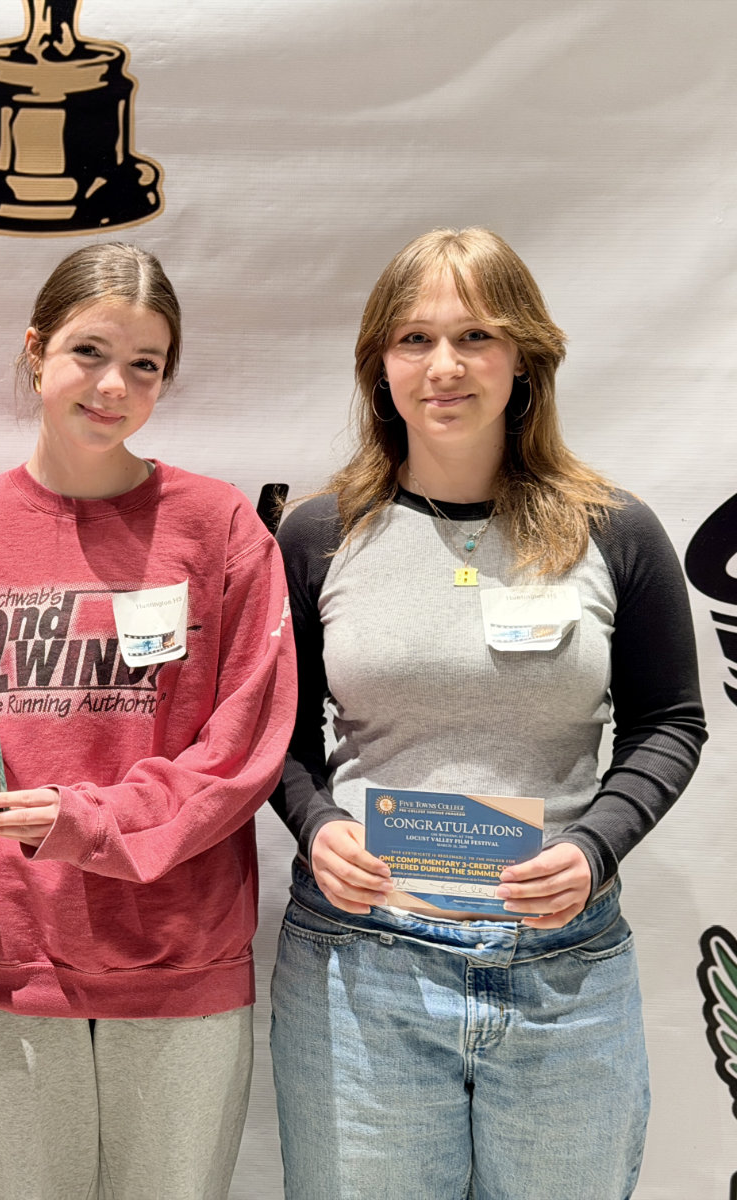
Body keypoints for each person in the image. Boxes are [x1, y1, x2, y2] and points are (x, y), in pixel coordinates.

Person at [268, 227, 706, 1199]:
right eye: (413, 339)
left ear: (526, 357)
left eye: (475, 336)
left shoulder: (614, 531)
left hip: (563, 971)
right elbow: (280, 742)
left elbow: (670, 721)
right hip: (360, 964)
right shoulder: (318, 534)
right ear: (379, 365)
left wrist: (593, 847)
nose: (444, 366)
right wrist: (317, 824)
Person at [0, 242, 297, 1199]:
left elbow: (243, 746)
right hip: (7, 957)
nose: (113, 384)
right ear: (36, 352)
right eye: (88, 351)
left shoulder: (218, 526)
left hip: (177, 961)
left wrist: (88, 822)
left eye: (145, 364)